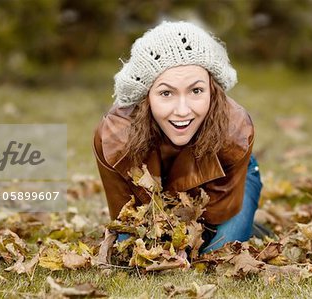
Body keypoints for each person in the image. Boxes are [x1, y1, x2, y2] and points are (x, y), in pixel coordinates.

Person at [92, 21, 263, 253]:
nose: (182, 110)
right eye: (166, 93)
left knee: (216, 252)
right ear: (146, 97)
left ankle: (247, 220)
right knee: (131, 251)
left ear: (213, 90)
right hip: (158, 197)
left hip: (226, 178)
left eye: (196, 91)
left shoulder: (235, 132)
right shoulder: (115, 136)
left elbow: (209, 222)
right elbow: (128, 219)